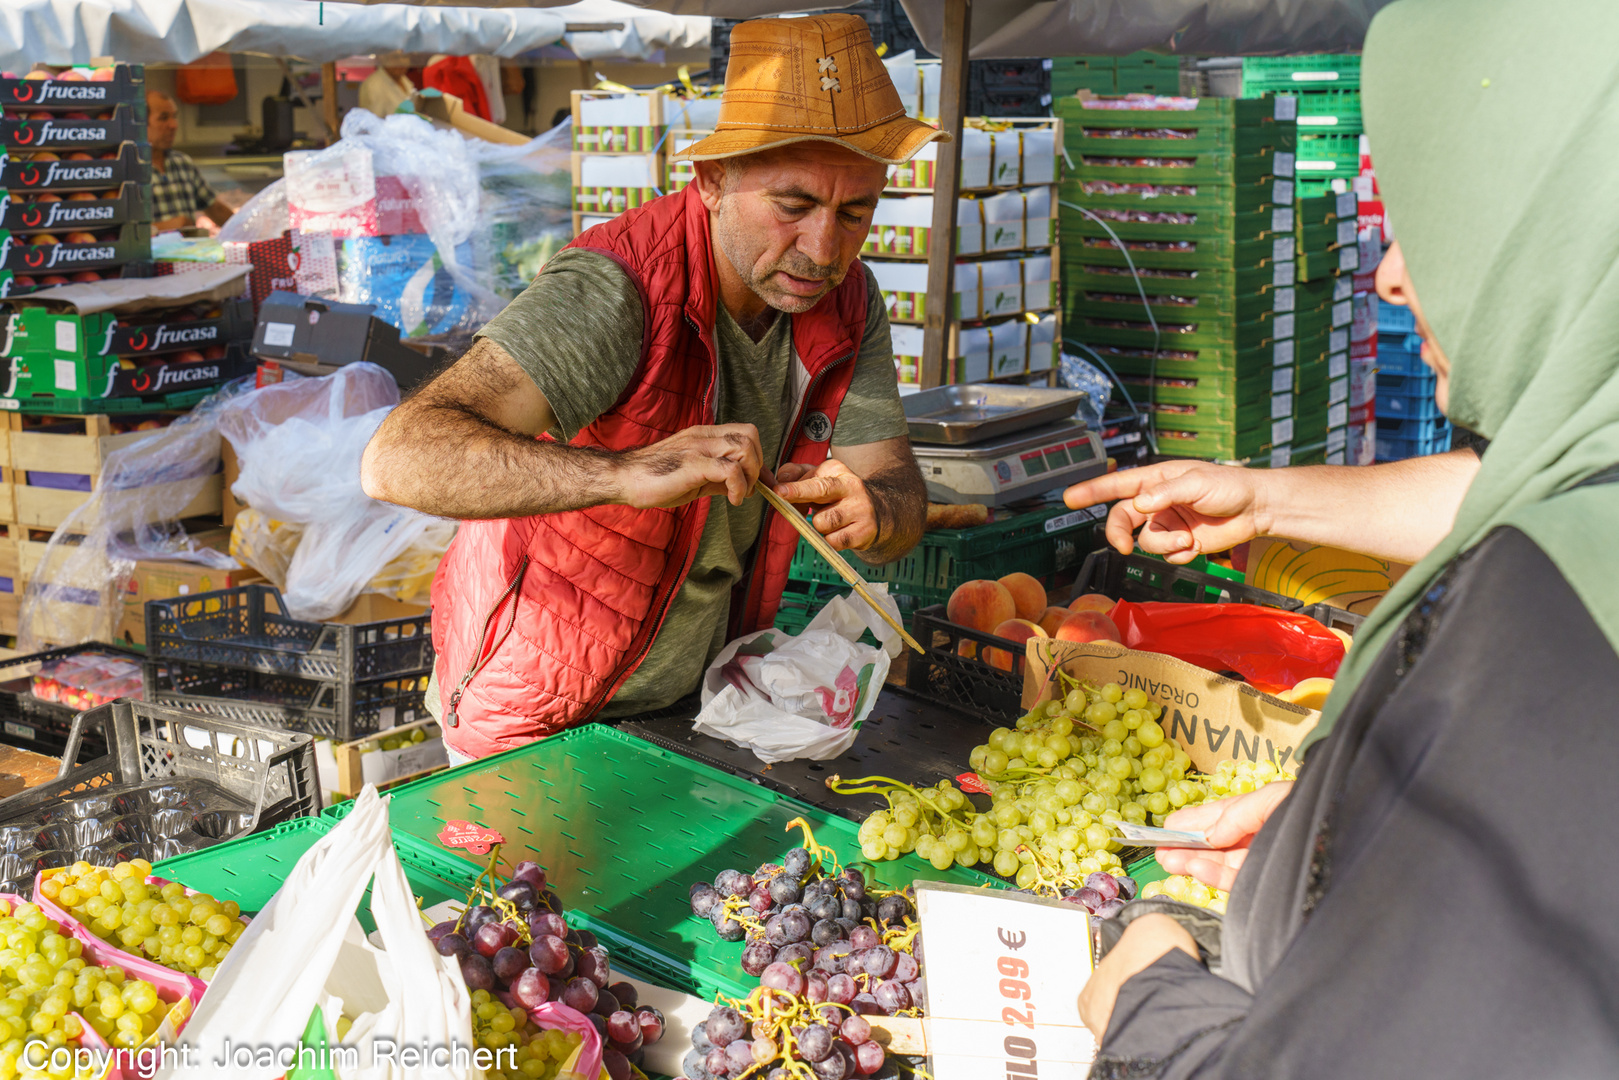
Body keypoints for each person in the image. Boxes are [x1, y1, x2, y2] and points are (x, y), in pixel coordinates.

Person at [1059, 1, 1619, 1075]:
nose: (1387, 275)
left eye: (1437, 221)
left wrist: (1142, 996)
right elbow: (1515, 481)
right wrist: (1354, 815)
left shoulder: (1556, 622)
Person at [361, 14, 939, 763]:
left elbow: (895, 483)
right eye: (792, 207)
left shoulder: (847, 300)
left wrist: (879, 508)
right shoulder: (618, 288)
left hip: (694, 699)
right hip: (538, 703)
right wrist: (624, 474)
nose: (822, 248)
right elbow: (399, 457)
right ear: (711, 181)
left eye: (854, 212)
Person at [145, 90, 234, 232]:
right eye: (163, 118)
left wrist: (249, 230)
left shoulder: (182, 163)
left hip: (190, 253)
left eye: (174, 116)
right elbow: (120, 232)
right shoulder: (129, 171)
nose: (173, 125)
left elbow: (215, 208)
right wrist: (164, 227)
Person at [358, 53, 416, 118]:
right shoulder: (374, 85)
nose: (401, 61)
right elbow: (375, 122)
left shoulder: (405, 81)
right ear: (384, 59)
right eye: (395, 57)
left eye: (405, 57)